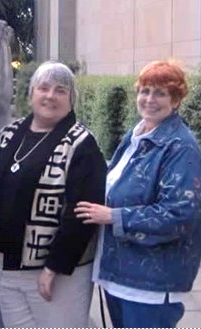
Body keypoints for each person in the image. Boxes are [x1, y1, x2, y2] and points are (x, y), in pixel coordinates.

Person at [0, 61, 107, 327]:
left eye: (60, 90)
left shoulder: (82, 144)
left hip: (57, 273)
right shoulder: (9, 134)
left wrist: (54, 267)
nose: (50, 96)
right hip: (9, 265)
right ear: (31, 93)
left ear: (71, 99)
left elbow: (82, 214)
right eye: (43, 88)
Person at [75, 60, 201, 328]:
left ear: (176, 100)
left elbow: (179, 215)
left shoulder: (181, 147)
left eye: (160, 93)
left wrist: (114, 216)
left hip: (151, 285)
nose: (149, 99)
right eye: (144, 91)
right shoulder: (138, 134)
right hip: (119, 276)